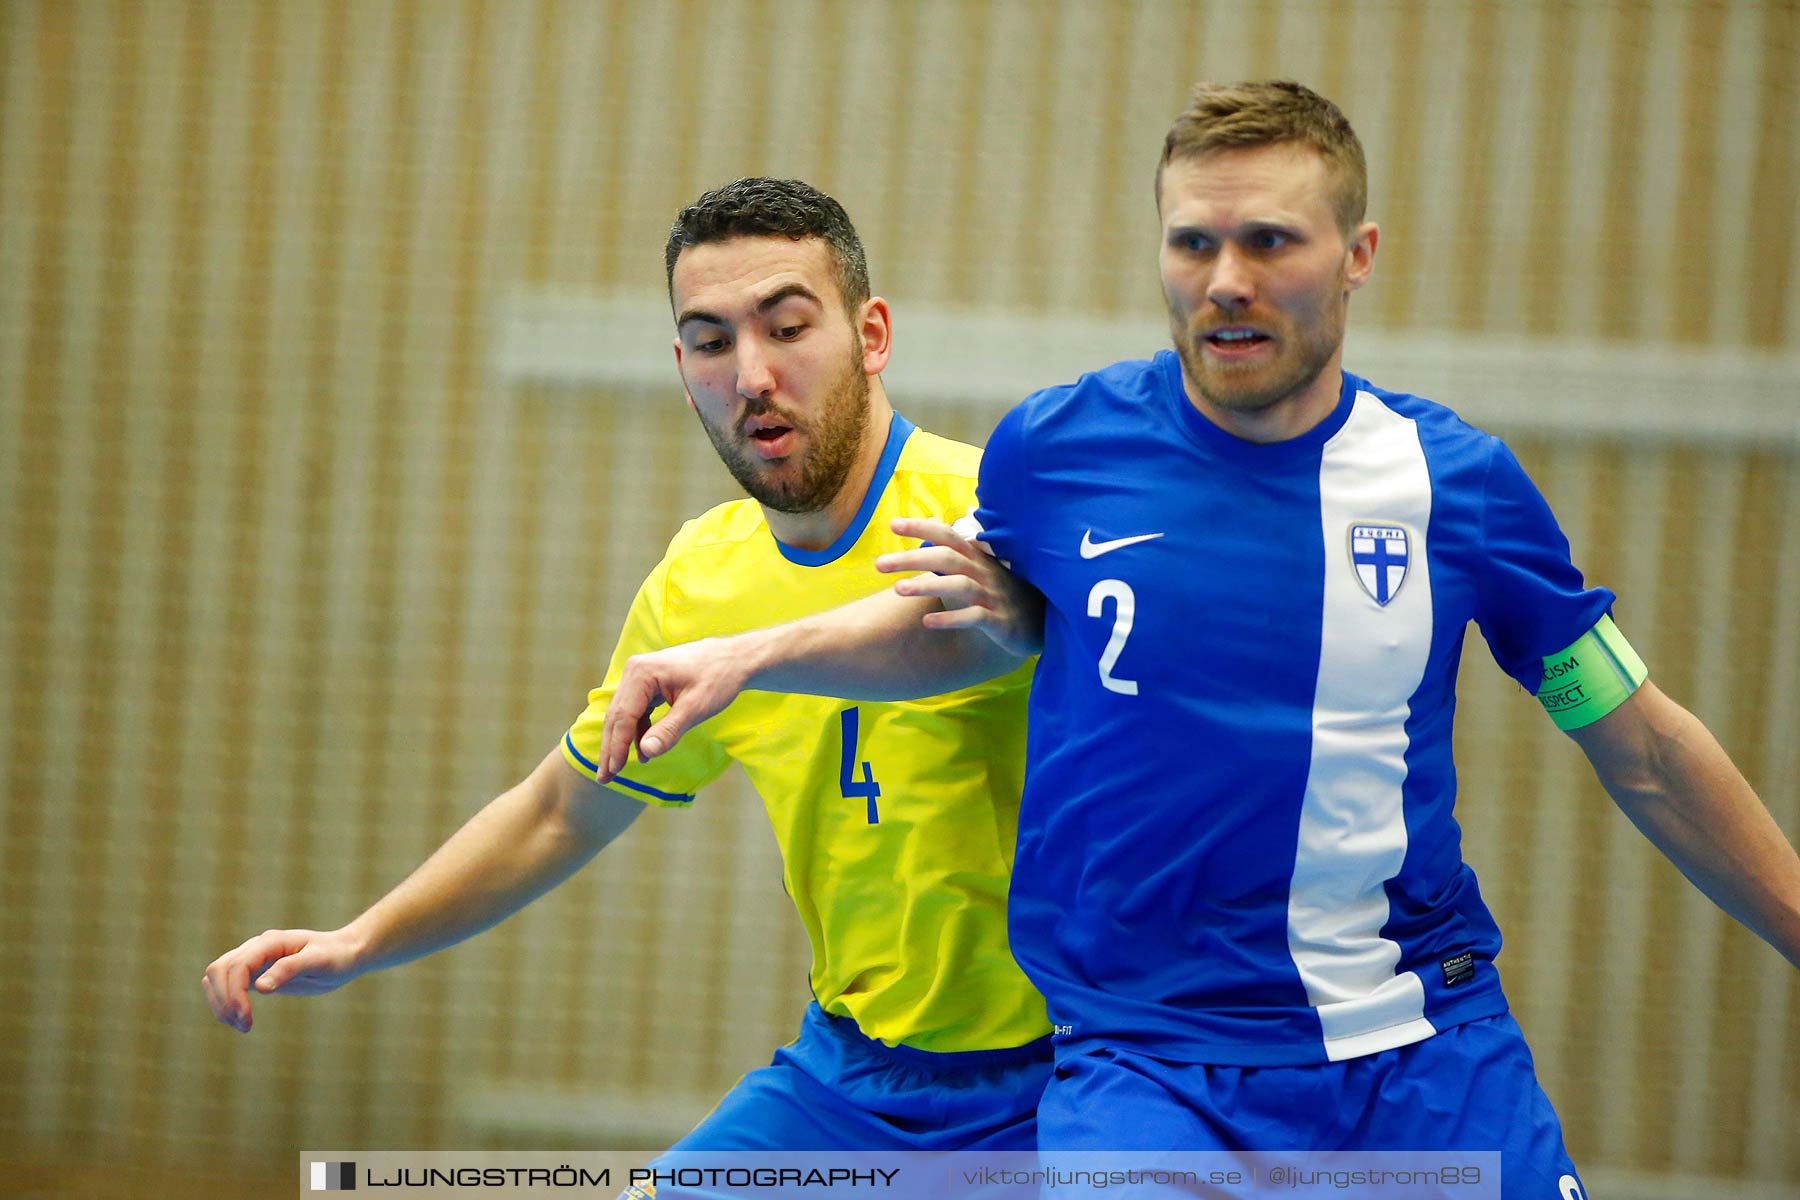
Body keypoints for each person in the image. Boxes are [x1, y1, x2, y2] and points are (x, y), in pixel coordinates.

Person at [596, 83, 1800, 1198]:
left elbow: (1639, 743)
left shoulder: (1458, 487)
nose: (1227, 279)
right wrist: (745, 655)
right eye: (1194, 242)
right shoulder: (1057, 452)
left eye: (1270, 241)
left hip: (1422, 1051)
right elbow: (966, 630)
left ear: (1357, 257)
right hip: (1149, 1075)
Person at [202, 178, 1052, 1164]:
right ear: (681, 366)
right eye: (711, 340)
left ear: (871, 335)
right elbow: (563, 809)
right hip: (856, 1081)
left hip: (1075, 1081)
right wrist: (362, 941)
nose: (753, 374)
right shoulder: (702, 583)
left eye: (786, 327)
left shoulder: (1001, 512)